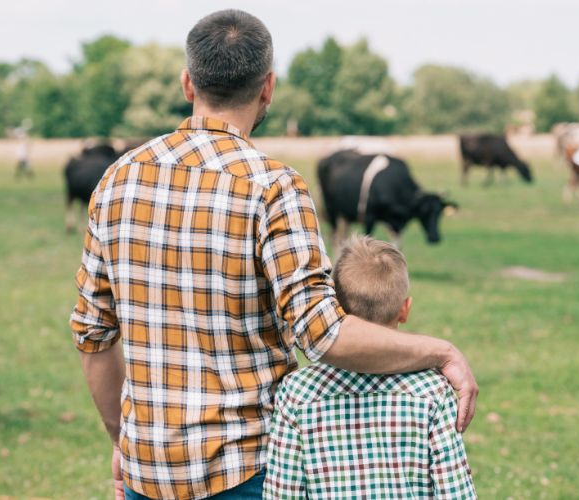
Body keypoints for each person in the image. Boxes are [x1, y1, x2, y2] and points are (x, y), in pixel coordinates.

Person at [70, 9, 478, 500]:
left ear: (187, 83)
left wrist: (123, 441)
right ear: (268, 87)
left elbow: (93, 335)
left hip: (145, 474)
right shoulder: (274, 187)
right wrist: (441, 352)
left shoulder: (117, 179)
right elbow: (322, 333)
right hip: (252, 472)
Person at [264, 235, 477, 499]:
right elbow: (455, 492)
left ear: (336, 307)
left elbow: (282, 492)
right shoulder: (433, 392)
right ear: (405, 309)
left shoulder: (297, 392)